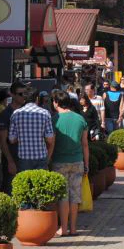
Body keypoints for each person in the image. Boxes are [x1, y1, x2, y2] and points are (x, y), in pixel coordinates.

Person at [51, 92, 90, 237]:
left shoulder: (54, 119)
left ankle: (64, 228)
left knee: (63, 196)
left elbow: (51, 142)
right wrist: (87, 163)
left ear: (56, 102)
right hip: (77, 161)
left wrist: (48, 159)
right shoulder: (80, 119)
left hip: (59, 161)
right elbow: (85, 144)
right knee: (75, 196)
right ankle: (73, 229)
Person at [7, 87, 55, 172]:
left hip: (23, 157)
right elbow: (50, 139)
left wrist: (23, 136)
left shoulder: (16, 114)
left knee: (25, 184)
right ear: (37, 98)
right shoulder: (45, 113)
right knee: (40, 184)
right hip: (41, 156)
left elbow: (11, 139)